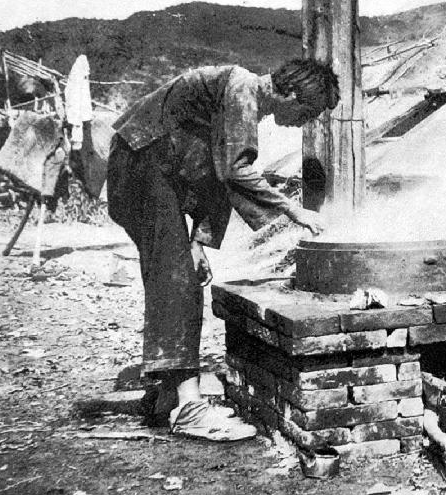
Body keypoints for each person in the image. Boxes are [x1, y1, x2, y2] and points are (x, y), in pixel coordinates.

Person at [107, 60, 339, 441]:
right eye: (307, 113)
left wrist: (197, 242)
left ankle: (169, 393)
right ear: (293, 95)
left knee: (178, 275)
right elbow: (234, 172)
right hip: (140, 163)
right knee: (175, 280)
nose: (304, 122)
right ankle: (189, 408)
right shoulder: (243, 88)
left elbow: (214, 178)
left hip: (147, 168)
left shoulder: (235, 98)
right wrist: (291, 208)